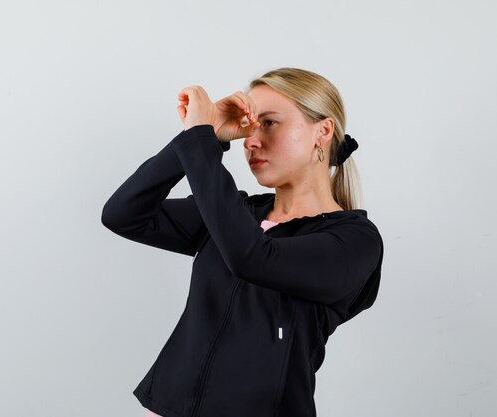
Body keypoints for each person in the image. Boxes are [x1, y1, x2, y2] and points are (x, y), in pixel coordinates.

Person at [101, 67, 384, 417]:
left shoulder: (353, 241)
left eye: (269, 123)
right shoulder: (238, 213)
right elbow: (124, 214)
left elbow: (252, 257)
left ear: (322, 131)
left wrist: (199, 141)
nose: (250, 140)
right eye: (251, 125)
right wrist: (204, 137)